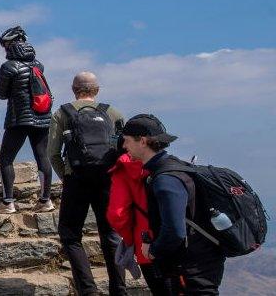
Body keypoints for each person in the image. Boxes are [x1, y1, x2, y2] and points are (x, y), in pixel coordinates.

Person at [122, 115, 226, 295]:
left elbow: (176, 231)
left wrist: (153, 251)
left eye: (127, 141)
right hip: (201, 261)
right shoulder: (173, 166)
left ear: (143, 141)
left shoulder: (165, 180)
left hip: (190, 268)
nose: (124, 147)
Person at [47, 72, 127, 296]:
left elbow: (52, 154)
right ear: (97, 90)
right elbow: (126, 151)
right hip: (108, 180)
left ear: (74, 89)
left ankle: (88, 290)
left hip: (77, 179)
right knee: (111, 236)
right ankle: (119, 291)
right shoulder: (113, 113)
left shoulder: (62, 113)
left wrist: (67, 176)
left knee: (71, 234)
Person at [0, 26, 53, 214]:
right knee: (42, 156)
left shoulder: (8, 67)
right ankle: (45, 200)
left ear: (9, 47)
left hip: (19, 118)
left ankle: (8, 202)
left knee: (6, 158)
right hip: (42, 116)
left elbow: (0, 93)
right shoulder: (38, 65)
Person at [108, 152, 171, 295]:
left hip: (146, 244)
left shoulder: (123, 169)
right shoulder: (165, 163)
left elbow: (117, 214)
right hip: (175, 241)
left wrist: (130, 240)